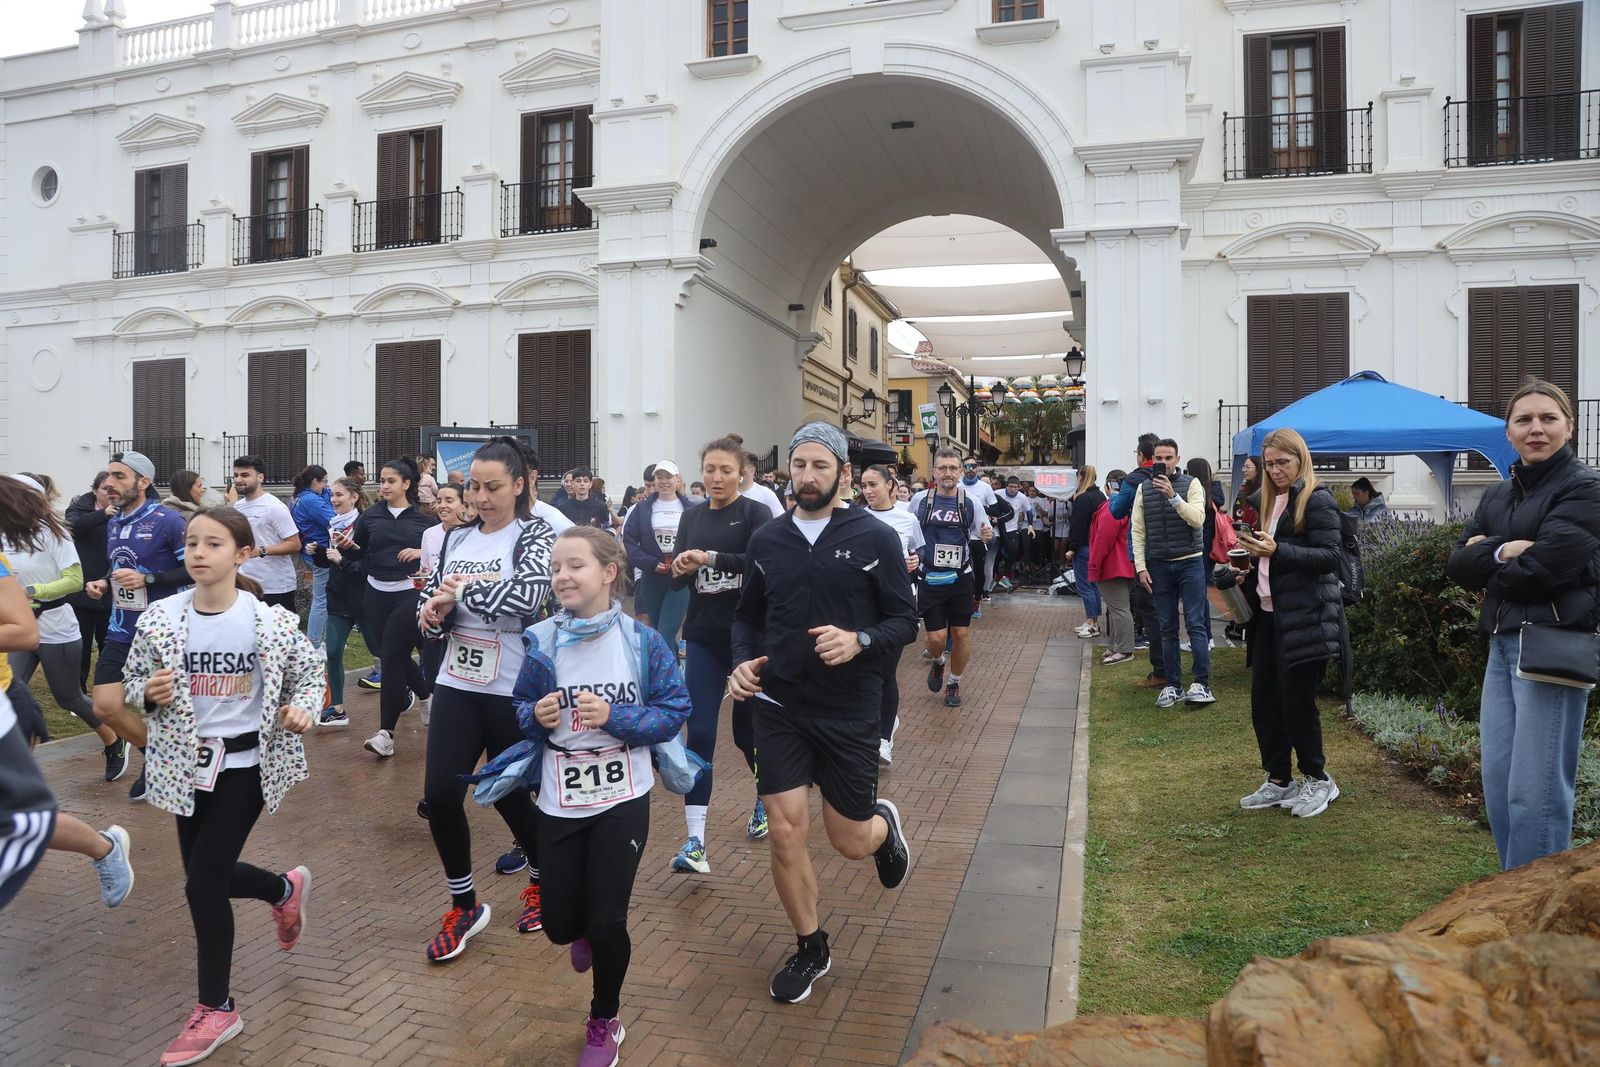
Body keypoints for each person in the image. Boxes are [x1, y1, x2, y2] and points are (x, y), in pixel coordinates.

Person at [120, 506, 319, 1067]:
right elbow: (132, 682)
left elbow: (310, 673)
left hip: (247, 767)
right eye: (191, 543)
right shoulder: (159, 618)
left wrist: (303, 707)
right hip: (186, 766)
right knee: (206, 874)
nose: (198, 553)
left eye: (213, 543)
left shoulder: (269, 621)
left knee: (202, 885)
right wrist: (148, 692)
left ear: (243, 554)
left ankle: (217, 1008)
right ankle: (283, 891)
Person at [729, 422, 915, 1004]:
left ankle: (881, 825)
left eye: (819, 466)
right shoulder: (769, 540)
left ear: (842, 473)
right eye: (800, 465)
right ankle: (812, 946)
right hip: (779, 704)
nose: (807, 477)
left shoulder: (874, 536)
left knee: (848, 841)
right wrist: (741, 663)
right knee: (785, 832)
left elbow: (904, 621)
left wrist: (859, 640)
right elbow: (745, 616)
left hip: (849, 709)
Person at [520, 527, 691, 1065]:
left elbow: (675, 708)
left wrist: (615, 717)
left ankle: (604, 1020)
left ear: (608, 573)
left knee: (608, 919)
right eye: (556, 568)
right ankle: (582, 934)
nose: (562, 577)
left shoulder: (642, 642)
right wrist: (537, 717)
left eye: (575, 566)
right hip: (560, 794)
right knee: (558, 926)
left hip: (624, 793)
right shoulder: (541, 638)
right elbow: (522, 706)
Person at [1447, 380, 1600, 869]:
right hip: (1502, 643)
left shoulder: (1585, 488)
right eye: (1524, 420)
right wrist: (1504, 550)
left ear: (1569, 427)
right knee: (1499, 784)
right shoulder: (1498, 493)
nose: (1536, 428)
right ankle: (1515, 894)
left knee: (1536, 793)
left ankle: (1534, 921)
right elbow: (1457, 566)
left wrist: (1490, 558)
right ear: (1509, 432)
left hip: (1552, 647)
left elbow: (1544, 569)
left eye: (1548, 418)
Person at [415, 437, 557, 959]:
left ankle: (544, 880)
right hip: (457, 681)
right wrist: (431, 614)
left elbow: (526, 598)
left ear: (520, 486)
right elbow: (431, 595)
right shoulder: (458, 538)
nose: (480, 497)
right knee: (441, 795)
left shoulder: (536, 533)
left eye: (493, 487)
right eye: (473, 486)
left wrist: (460, 596)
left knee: (511, 793)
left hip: (511, 689)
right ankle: (464, 905)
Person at [1221, 428, 1346, 819]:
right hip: (1268, 616)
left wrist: (1279, 550)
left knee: (1297, 705)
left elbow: (1329, 557)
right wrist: (1251, 568)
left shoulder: (1317, 500)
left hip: (1305, 618)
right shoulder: (1268, 502)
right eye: (1270, 463)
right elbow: (1271, 558)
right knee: (1266, 703)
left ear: (1300, 460)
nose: (1275, 470)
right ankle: (1279, 780)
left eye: (1283, 463)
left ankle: (1318, 779)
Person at [665, 437, 773, 875]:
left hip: (749, 641)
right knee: (702, 733)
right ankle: (695, 842)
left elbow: (761, 563)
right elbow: (676, 582)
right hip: (705, 637)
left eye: (726, 470)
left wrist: (710, 557)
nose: (717, 477)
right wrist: (678, 568)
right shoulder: (690, 517)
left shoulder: (756, 513)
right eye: (710, 469)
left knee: (747, 737)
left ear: (742, 473)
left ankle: (765, 799)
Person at [83, 451, 191, 803]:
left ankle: (182, 766)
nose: (110, 483)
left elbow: (192, 570)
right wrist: (103, 581)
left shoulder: (169, 521)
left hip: (161, 631)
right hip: (120, 628)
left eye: (120, 476)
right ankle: (156, 755)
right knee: (105, 706)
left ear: (143, 482)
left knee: (163, 708)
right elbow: (122, 567)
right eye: (108, 477)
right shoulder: (113, 522)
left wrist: (148, 578)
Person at [2, 475, 128, 776]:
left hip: (54, 624)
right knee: (7, 688)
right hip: (16, 626)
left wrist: (33, 591)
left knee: (68, 697)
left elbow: (74, 580)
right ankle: (16, 763)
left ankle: (113, 740)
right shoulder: (4, 534)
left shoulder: (54, 533)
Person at [337, 457, 436, 758]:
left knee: (392, 658)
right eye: (381, 480)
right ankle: (425, 694)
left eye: (390, 481)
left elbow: (442, 551)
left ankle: (385, 734)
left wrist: (420, 551)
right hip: (376, 593)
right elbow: (360, 553)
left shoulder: (425, 519)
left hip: (409, 592)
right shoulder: (370, 517)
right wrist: (346, 548)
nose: (383, 486)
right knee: (389, 653)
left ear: (406, 484)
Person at [1132, 439, 1215, 708]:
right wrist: (1141, 567)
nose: (1163, 463)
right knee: (1167, 627)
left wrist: (1173, 496)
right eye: (1159, 458)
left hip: (1190, 562)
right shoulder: (1144, 489)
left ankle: (1201, 683)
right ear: (1152, 459)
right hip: (1159, 564)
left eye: (1169, 458)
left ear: (1178, 459)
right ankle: (1173, 685)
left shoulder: (1191, 484)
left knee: (1195, 623)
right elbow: (1138, 530)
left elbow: (1198, 519)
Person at [910, 450, 994, 708]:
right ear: (934, 472)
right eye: (942, 468)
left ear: (960, 472)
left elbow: (983, 531)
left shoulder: (970, 502)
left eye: (952, 468)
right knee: (935, 639)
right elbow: (908, 532)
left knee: (960, 634)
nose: (948, 473)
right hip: (930, 578)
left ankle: (954, 683)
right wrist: (911, 556)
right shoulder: (920, 501)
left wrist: (987, 534)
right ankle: (938, 663)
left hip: (960, 578)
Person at [858, 464, 923, 764]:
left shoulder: (907, 518)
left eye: (874, 484)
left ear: (890, 486)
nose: (868, 491)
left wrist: (915, 562)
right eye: (864, 485)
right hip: (863, 604)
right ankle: (873, 728)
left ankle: (883, 739)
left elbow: (918, 552)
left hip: (897, 604)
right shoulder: (855, 518)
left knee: (886, 672)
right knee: (864, 673)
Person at [307, 476, 372, 729]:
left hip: (363, 597)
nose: (333, 499)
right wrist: (319, 554)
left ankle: (405, 689)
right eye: (332, 495)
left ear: (354, 497)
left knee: (380, 650)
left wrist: (342, 559)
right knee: (332, 653)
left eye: (339, 495)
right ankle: (337, 708)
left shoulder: (364, 523)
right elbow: (331, 560)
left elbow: (366, 563)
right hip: (337, 596)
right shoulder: (334, 524)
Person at [1107, 433, 1166, 689]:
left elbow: (1117, 511)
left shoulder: (1133, 480)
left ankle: (1161, 670)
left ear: (1141, 455)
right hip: (1174, 551)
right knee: (1168, 610)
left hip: (1146, 552)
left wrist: (1113, 496)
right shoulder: (1177, 476)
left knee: (1149, 608)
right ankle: (1170, 669)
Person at [621, 462, 691, 646]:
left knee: (666, 633)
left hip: (680, 577)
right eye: (659, 477)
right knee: (659, 630)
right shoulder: (641, 509)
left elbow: (702, 538)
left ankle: (665, 674)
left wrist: (688, 562)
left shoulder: (691, 509)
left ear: (677, 479)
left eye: (668, 477)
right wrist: (648, 563)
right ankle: (672, 673)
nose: (664, 481)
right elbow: (629, 541)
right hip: (652, 577)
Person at [229, 457, 302, 614]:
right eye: (236, 475)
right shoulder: (237, 507)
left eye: (245, 475)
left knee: (278, 637)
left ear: (260, 477)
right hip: (244, 584)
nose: (238, 480)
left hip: (274, 587)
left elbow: (295, 544)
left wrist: (261, 550)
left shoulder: (274, 507)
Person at [66, 472, 117, 693]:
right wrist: (104, 514)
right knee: (82, 644)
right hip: (82, 586)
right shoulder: (79, 508)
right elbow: (74, 528)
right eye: (106, 488)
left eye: (114, 488)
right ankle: (78, 691)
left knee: (110, 642)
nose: (110, 493)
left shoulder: (124, 511)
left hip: (111, 584)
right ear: (95, 490)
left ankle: (109, 687)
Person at [1089, 470, 1135, 664]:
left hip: (1112, 565)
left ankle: (1124, 649)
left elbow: (1103, 539)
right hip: (1121, 564)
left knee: (1119, 609)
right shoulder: (1120, 506)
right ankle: (1116, 646)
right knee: (1118, 608)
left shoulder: (1111, 507)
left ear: (1109, 486)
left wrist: (1094, 563)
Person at [291, 465, 335, 648]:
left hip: (309, 551)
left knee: (323, 599)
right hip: (319, 552)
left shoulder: (298, 497)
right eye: (324, 482)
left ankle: (323, 638)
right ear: (314, 482)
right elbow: (333, 519)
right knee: (321, 601)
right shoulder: (311, 500)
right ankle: (314, 643)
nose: (326, 486)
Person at [1066, 465, 1105, 639]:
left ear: (1081, 477)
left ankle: (1092, 622)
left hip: (1083, 546)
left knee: (1085, 586)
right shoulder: (1100, 496)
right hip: (1095, 545)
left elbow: (1078, 526)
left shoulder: (1082, 498)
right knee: (1093, 585)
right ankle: (1093, 620)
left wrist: (1072, 548)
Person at [955, 459, 998, 612]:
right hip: (960, 536)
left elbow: (995, 509)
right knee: (960, 569)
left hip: (978, 536)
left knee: (979, 571)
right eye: (966, 466)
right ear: (962, 469)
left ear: (977, 468)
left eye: (973, 466)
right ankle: (961, 600)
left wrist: (979, 510)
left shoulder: (985, 488)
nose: (970, 469)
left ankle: (977, 599)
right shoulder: (957, 486)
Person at [993, 477, 1034, 590]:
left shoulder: (1022, 497)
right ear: (1006, 486)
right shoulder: (997, 493)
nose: (1012, 489)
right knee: (995, 553)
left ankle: (1005, 576)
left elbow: (1029, 511)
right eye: (1010, 486)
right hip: (997, 528)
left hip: (1012, 528)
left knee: (1013, 549)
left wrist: (1030, 525)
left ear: (1018, 488)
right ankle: (993, 576)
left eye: (1015, 487)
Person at [1232, 456, 1261, 528]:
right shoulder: (1243, 489)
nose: (1244, 470)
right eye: (1243, 467)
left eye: (1248, 467)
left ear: (1258, 469)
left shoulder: (1264, 490)